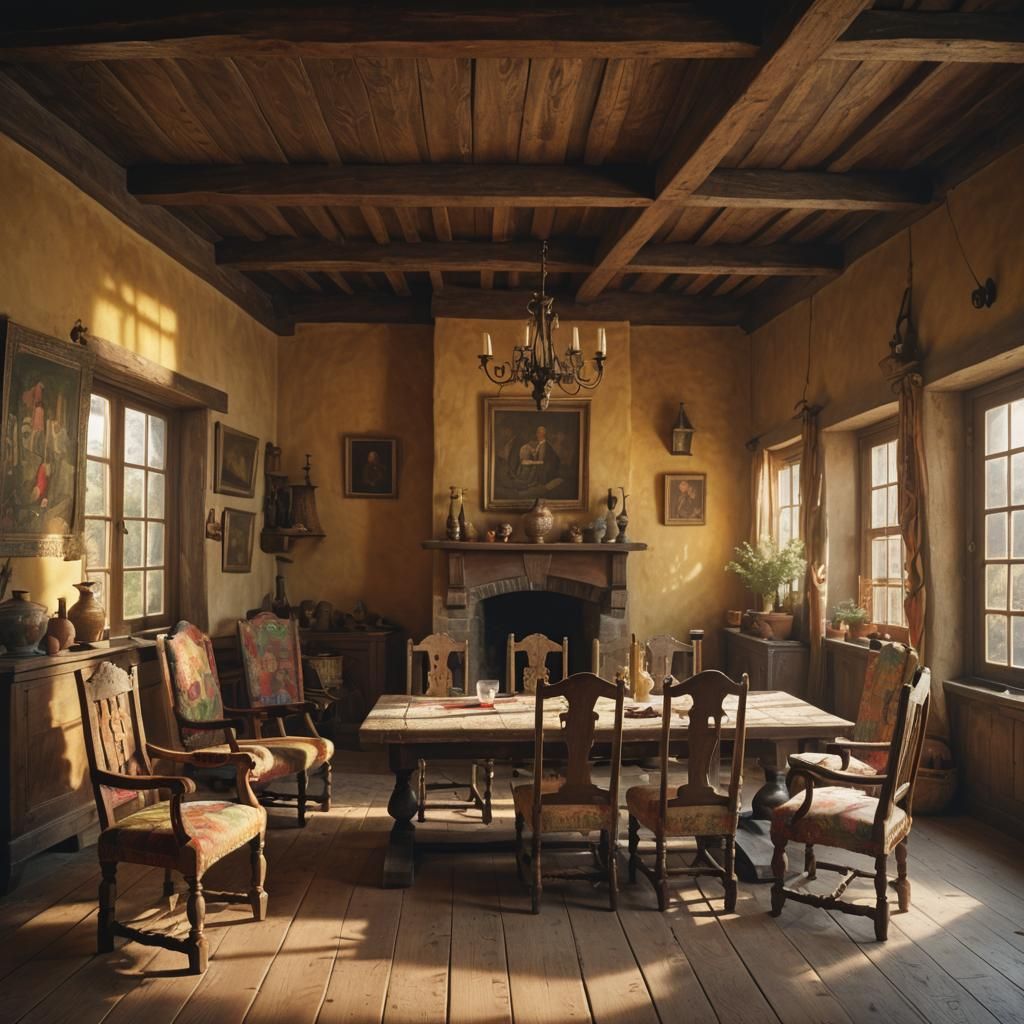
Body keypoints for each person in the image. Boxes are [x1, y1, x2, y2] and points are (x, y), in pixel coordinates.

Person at [508, 425, 561, 491]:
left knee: (526, 466)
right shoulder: (540, 444)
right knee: (524, 465)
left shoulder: (544, 445)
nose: (537, 435)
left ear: (542, 434)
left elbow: (542, 462)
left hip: (545, 472)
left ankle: (526, 483)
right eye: (537, 433)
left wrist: (530, 462)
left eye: (538, 433)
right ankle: (522, 481)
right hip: (540, 467)